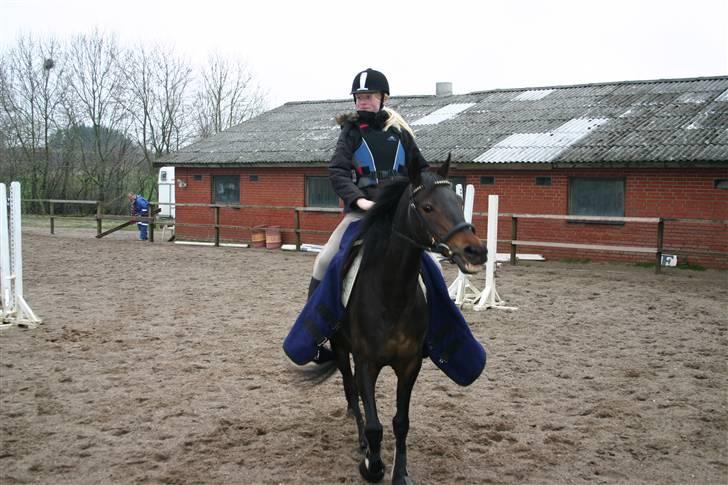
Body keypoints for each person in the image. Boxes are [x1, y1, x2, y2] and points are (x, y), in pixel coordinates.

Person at [307, 68, 429, 362]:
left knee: (432, 270)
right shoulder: (350, 132)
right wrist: (358, 200)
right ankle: (316, 335)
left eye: (369, 96)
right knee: (324, 260)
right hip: (363, 213)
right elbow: (337, 171)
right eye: (359, 97)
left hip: (399, 215)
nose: (363, 101)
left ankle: (432, 334)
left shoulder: (400, 132)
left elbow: (421, 170)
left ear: (382, 98)